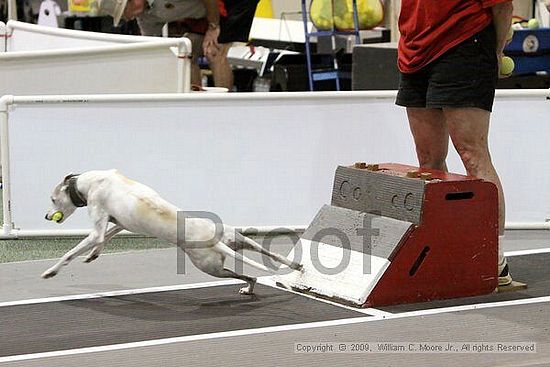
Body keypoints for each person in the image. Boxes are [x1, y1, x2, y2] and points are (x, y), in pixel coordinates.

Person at [395, 0, 514, 286]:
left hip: (464, 44)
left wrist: (496, 52)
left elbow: (503, 7)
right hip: (414, 50)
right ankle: (443, 249)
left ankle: (493, 258)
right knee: (428, 160)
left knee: (473, 155)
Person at [97, 0, 259, 90]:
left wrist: (213, 27)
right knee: (185, 50)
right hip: (204, 11)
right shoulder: (145, 17)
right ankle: (196, 102)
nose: (129, 18)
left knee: (213, 51)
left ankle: (225, 108)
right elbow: (152, 48)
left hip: (230, 2)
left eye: (126, 12)